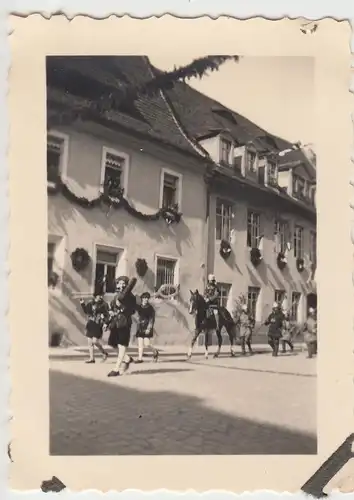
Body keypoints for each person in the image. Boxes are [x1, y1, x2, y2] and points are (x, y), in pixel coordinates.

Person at [107, 276, 137, 377]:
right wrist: (111, 311)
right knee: (113, 344)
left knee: (121, 345)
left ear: (126, 284)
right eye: (119, 283)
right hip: (115, 323)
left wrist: (123, 308)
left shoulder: (130, 296)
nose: (120, 284)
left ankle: (116, 369)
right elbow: (111, 306)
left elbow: (132, 310)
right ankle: (127, 359)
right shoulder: (117, 295)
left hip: (124, 323)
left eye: (123, 283)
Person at [80, 293, 109, 363]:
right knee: (89, 342)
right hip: (91, 324)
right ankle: (92, 358)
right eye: (99, 295)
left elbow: (107, 315)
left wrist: (106, 323)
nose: (101, 297)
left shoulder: (104, 304)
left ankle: (104, 353)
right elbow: (87, 312)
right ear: (95, 296)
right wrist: (82, 304)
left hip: (98, 324)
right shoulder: (90, 303)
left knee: (95, 341)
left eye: (101, 295)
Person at [135, 292, 159, 363]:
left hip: (147, 327)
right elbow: (136, 314)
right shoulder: (139, 307)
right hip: (140, 327)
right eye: (144, 298)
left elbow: (152, 319)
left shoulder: (150, 308)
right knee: (140, 344)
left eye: (147, 298)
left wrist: (149, 328)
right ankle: (140, 359)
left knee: (147, 344)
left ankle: (155, 352)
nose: (145, 299)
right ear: (142, 298)